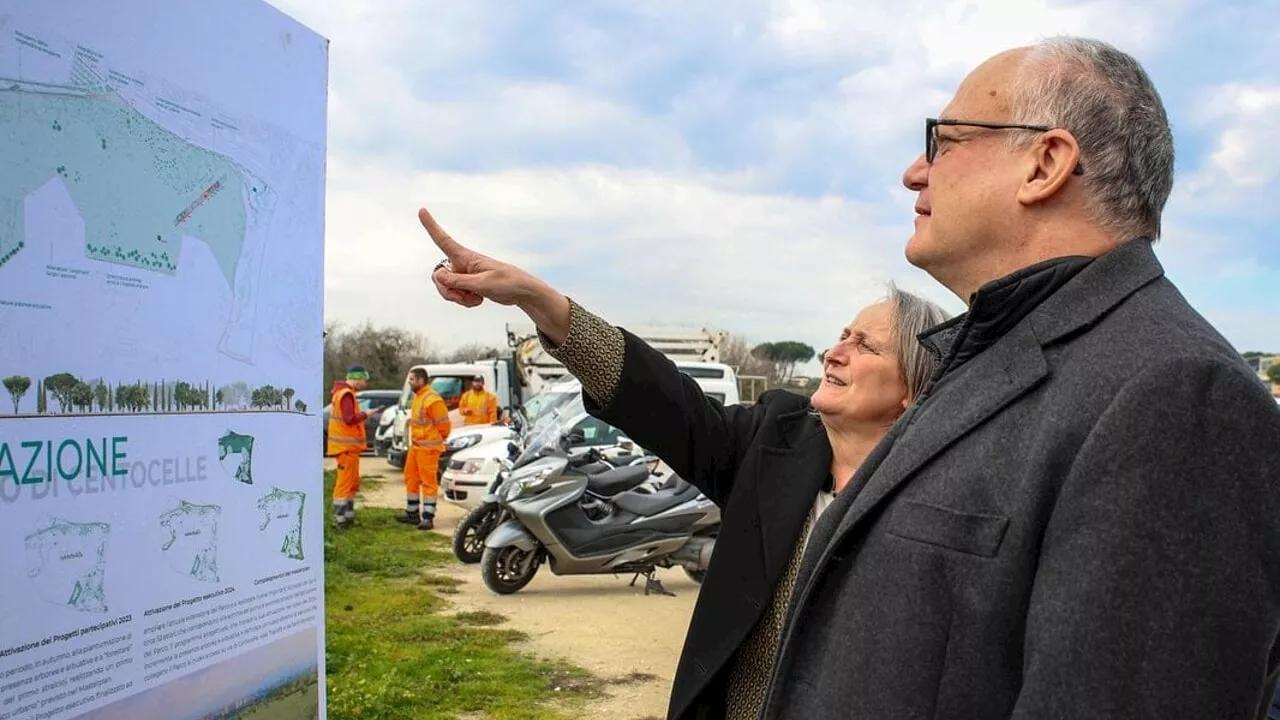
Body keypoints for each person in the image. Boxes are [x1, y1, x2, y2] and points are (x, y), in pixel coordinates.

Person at [426, 35, 1280, 719]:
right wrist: (544, 303)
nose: (915, 170)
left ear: (1044, 164)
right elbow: (670, 406)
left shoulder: (1175, 397)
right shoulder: (966, 380)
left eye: (942, 142)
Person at [421, 203, 948, 717]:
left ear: (912, 387)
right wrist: (535, 298)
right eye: (840, 337)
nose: (835, 352)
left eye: (866, 346)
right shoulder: (774, 441)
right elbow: (664, 400)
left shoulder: (942, 491)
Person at [396, 366, 451, 530]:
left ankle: (428, 517)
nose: (410, 382)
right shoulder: (419, 397)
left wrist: (435, 439)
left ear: (421, 380)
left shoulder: (432, 399)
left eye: (412, 379)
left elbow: (444, 426)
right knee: (410, 477)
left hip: (428, 448)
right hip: (416, 447)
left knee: (428, 482)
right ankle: (412, 513)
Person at [328, 365, 371, 528]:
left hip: (348, 449)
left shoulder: (344, 393)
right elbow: (349, 419)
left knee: (351, 483)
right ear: (356, 378)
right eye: (363, 380)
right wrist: (366, 414)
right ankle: (339, 520)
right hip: (345, 448)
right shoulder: (346, 395)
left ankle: (347, 517)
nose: (365, 384)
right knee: (344, 484)